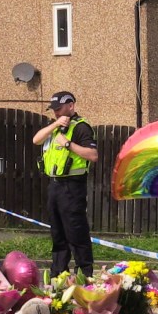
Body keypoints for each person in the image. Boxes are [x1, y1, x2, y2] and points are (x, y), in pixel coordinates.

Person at [32, 91, 99, 277]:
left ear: (71, 106)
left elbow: (93, 156)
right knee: (58, 233)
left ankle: (84, 275)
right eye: (53, 110)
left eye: (59, 109)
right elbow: (36, 140)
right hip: (54, 186)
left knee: (76, 233)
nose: (56, 113)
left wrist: (69, 144)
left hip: (73, 186)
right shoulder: (54, 127)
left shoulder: (81, 127)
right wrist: (55, 124)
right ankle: (58, 274)